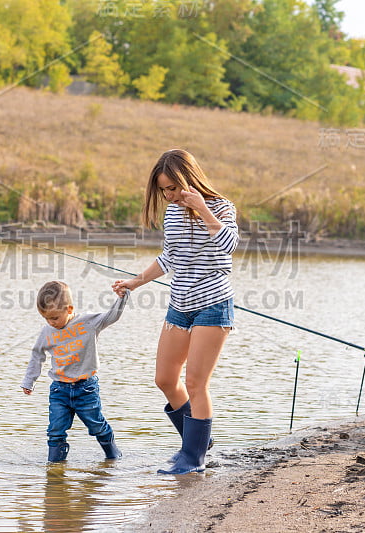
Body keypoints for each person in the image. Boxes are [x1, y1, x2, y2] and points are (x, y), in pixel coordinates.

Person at [112, 149, 239, 474]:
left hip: (213, 306)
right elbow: (170, 257)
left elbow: (228, 247)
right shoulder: (172, 214)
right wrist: (134, 282)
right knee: (165, 379)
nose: (168, 195)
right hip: (179, 307)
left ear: (188, 179)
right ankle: (198, 440)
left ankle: (192, 459)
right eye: (163, 190)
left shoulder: (222, 207)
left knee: (196, 384)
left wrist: (203, 210)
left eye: (172, 188)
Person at [22, 280, 129, 461]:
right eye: (46, 318)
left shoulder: (89, 323)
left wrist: (123, 296)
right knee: (55, 430)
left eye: (54, 318)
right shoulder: (47, 331)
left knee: (96, 426)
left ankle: (112, 454)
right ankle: (55, 468)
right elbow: (37, 355)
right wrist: (29, 381)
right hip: (59, 390)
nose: (50, 322)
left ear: (69, 309)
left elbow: (112, 316)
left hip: (86, 389)